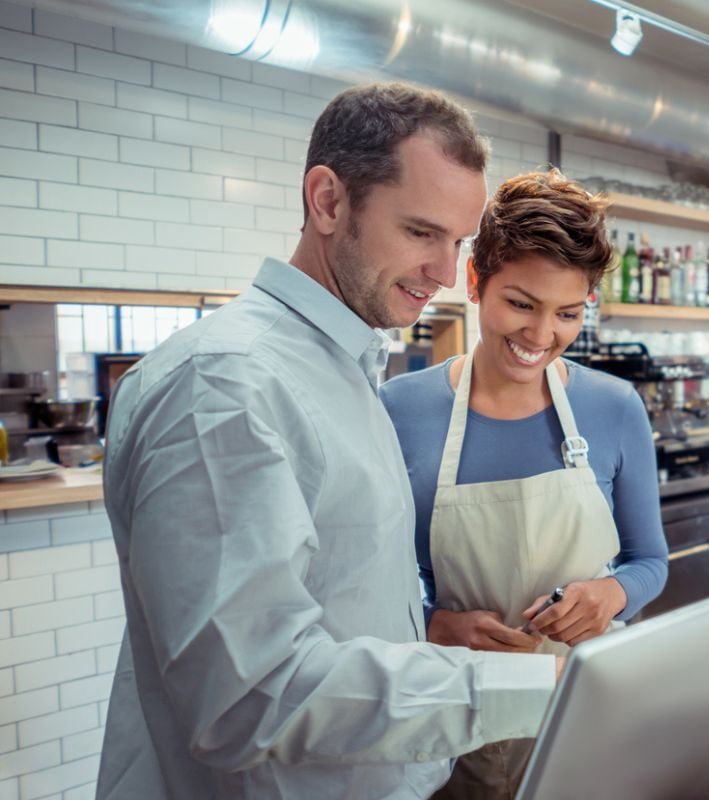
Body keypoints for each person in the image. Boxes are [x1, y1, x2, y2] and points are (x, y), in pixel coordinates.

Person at [97, 83, 560, 800]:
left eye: (458, 241)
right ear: (328, 201)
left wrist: (425, 630)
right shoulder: (225, 384)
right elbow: (247, 696)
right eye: (420, 232)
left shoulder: (342, 367)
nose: (446, 273)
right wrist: (533, 683)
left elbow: (338, 594)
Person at [380, 170, 669, 798]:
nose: (542, 337)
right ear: (476, 282)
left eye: (567, 313)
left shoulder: (615, 407)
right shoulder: (399, 411)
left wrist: (610, 596)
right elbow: (369, 586)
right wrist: (431, 624)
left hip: (585, 709)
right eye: (520, 304)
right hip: (456, 714)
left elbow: (650, 562)